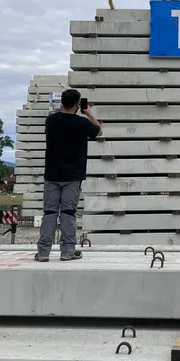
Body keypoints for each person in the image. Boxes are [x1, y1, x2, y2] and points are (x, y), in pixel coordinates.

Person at [36, 89, 103, 262]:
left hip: (52, 174)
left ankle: (43, 253)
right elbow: (99, 131)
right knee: (68, 213)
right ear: (77, 104)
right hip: (73, 175)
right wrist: (87, 111)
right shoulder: (81, 123)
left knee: (50, 213)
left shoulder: (51, 120)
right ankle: (67, 251)